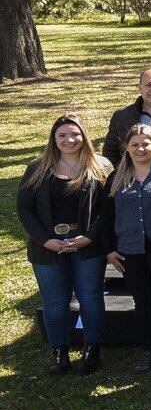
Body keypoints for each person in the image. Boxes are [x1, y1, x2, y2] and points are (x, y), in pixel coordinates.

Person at [20, 115, 114, 376]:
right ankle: (59, 351)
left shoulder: (100, 166)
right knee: (55, 302)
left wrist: (90, 237)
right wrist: (45, 240)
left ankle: (92, 348)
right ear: (53, 139)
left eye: (75, 134)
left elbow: (107, 210)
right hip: (47, 248)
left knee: (90, 298)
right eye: (62, 135)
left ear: (84, 136)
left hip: (87, 245)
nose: (69, 140)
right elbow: (25, 210)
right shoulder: (37, 168)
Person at [108, 124, 151, 372]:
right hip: (129, 250)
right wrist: (109, 249)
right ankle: (147, 350)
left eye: (145, 143)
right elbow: (105, 216)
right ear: (126, 147)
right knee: (142, 301)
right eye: (135, 144)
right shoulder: (115, 178)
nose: (140, 148)